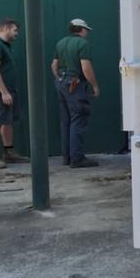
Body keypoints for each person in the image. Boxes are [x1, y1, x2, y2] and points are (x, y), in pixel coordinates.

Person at [51, 18, 100, 168]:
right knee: (78, 119)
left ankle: (67, 157)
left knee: (66, 121)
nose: (87, 33)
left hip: (61, 84)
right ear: (81, 29)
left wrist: (59, 79)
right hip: (75, 85)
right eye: (86, 30)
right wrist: (95, 86)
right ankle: (77, 158)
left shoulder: (60, 43)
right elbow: (86, 68)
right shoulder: (82, 44)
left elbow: (53, 65)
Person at [0, 18, 30, 169]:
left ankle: (9, 153)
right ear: (6, 29)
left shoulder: (6, 46)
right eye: (15, 30)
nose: (17, 33)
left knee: (7, 121)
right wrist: (3, 92)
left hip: (9, 90)